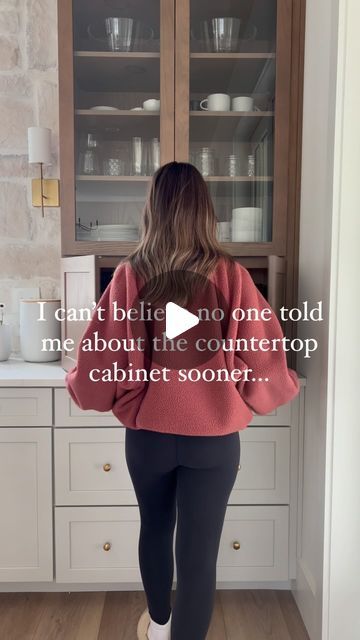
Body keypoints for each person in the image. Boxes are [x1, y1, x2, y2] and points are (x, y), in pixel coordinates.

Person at [65, 161, 300, 640]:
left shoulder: (131, 275)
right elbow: (262, 356)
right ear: (205, 212)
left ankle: (158, 626)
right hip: (213, 440)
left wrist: (85, 385)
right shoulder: (232, 276)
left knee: (154, 528)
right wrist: (261, 389)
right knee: (198, 553)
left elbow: (99, 359)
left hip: (148, 437)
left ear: (152, 208)